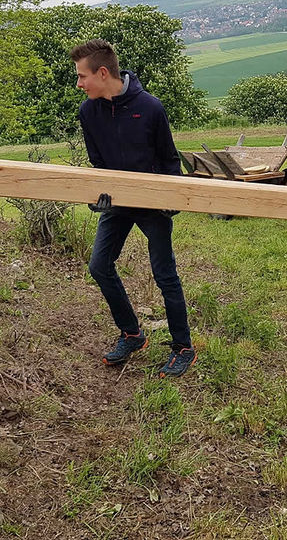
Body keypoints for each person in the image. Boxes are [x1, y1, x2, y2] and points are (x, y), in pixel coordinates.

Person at [72, 39, 196, 378]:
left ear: (102, 72)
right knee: (99, 266)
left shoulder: (150, 107)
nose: (79, 84)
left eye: (82, 76)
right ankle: (132, 334)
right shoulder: (88, 112)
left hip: (153, 204)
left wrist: (170, 201)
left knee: (164, 274)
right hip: (118, 201)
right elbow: (98, 163)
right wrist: (99, 195)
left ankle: (183, 347)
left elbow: (170, 159)